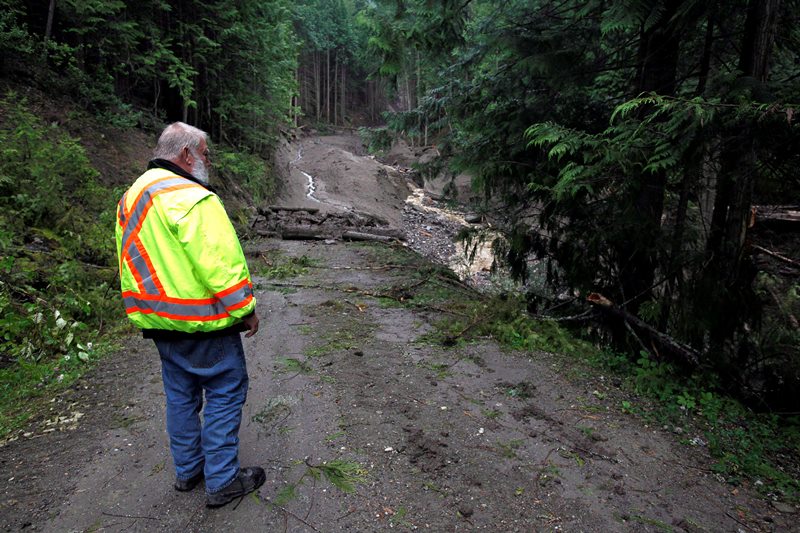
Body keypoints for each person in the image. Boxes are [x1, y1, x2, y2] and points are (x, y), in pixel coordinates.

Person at [115, 122, 265, 508]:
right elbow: (219, 262)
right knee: (224, 392)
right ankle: (222, 480)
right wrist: (245, 308)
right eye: (204, 153)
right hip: (203, 324)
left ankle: (188, 471)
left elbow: (136, 259)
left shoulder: (133, 195)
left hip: (159, 322)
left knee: (180, 397)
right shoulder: (193, 197)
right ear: (185, 155)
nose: (208, 161)